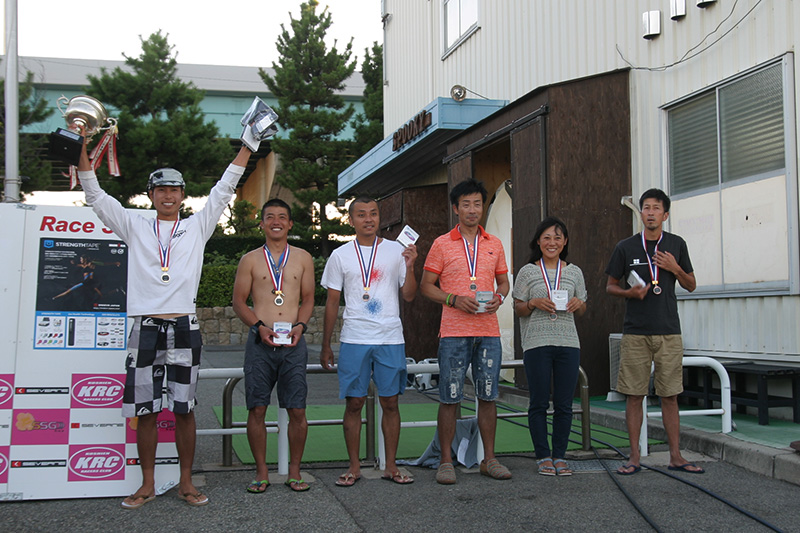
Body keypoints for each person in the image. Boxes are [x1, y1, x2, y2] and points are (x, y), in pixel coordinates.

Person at [76, 138, 254, 509]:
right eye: (161, 190)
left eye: (174, 190)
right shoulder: (133, 225)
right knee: (146, 411)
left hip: (184, 327)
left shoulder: (198, 226)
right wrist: (81, 148)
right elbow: (95, 195)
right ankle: (147, 484)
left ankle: (186, 482)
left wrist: (248, 146)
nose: (168, 195)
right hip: (145, 327)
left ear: (183, 195)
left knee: (184, 409)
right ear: (151, 195)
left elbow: (224, 189)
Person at [320, 196, 418, 486]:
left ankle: (391, 466)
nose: (368, 219)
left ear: (379, 217)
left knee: (391, 402)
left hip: (390, 337)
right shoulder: (340, 255)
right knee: (354, 403)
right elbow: (332, 302)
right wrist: (326, 344)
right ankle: (354, 467)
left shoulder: (397, 250)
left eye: (373, 213)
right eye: (361, 214)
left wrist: (411, 265)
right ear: (351, 220)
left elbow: (409, 295)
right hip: (354, 338)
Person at [420, 178, 511, 484]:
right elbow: (426, 286)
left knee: (489, 395)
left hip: (488, 331)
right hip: (454, 332)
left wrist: (500, 297)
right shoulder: (441, 244)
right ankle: (446, 461)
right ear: (455, 208)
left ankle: (489, 459)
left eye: (477, 204)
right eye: (466, 204)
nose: (472, 210)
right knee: (450, 397)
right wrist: (453, 299)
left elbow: (503, 282)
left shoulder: (494, 243)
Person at [605, 188, 701, 475]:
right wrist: (629, 293)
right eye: (646, 207)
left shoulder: (676, 244)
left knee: (670, 395)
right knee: (634, 395)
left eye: (656, 208)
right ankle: (634, 456)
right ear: (641, 213)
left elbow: (691, 285)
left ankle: (676, 456)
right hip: (635, 332)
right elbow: (610, 286)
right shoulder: (626, 247)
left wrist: (674, 268)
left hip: (668, 330)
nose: (650, 213)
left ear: (665, 215)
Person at [232, 199, 315, 493]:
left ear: (290, 224)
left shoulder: (303, 257)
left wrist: (300, 326)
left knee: (297, 410)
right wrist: (258, 326)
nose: (276, 222)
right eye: (270, 217)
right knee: (257, 408)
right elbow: (238, 301)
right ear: (262, 224)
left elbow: (308, 299)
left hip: (293, 342)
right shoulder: (250, 260)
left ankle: (295, 471)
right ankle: (261, 472)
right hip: (260, 342)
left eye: (282, 217)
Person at [512, 217, 587, 476]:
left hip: (568, 343)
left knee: (564, 404)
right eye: (546, 237)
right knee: (539, 402)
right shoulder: (528, 272)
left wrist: (578, 304)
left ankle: (560, 456)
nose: (552, 242)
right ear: (538, 242)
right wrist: (533, 303)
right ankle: (543, 456)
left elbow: (583, 308)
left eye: (557, 237)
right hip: (537, 343)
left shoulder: (574, 272)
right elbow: (518, 308)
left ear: (565, 242)